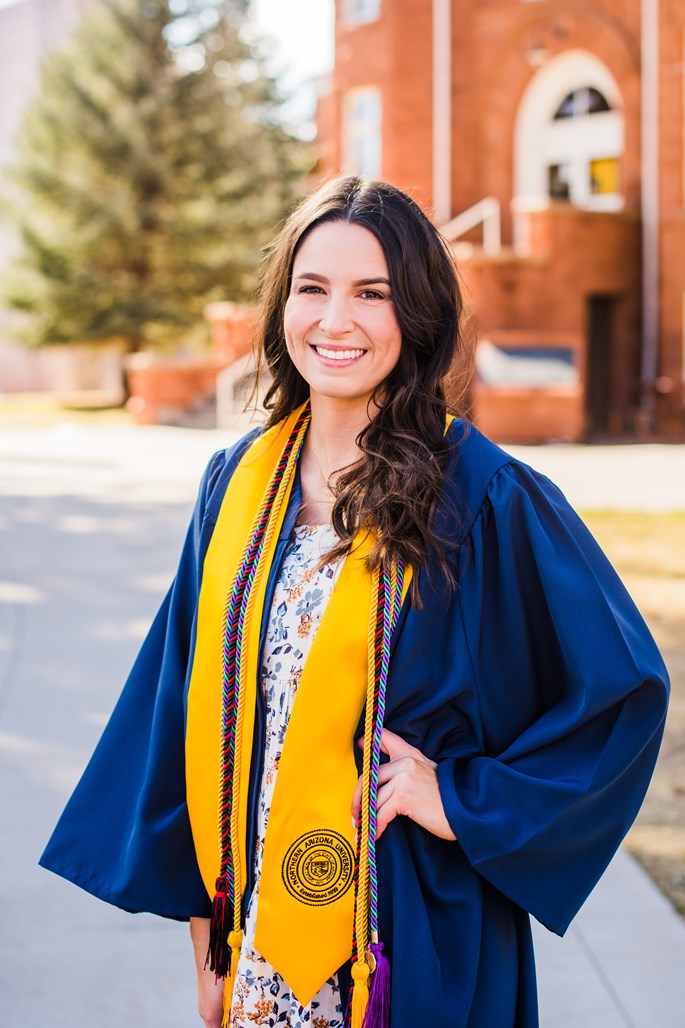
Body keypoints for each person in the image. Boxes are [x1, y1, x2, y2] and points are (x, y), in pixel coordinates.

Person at [40, 176, 669, 1028]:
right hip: (259, 937)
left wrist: (461, 799)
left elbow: (621, 690)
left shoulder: (480, 498)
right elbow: (184, 721)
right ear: (282, 308)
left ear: (415, 315)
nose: (335, 321)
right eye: (313, 288)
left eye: (371, 294)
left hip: (406, 934)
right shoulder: (235, 488)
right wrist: (211, 947)